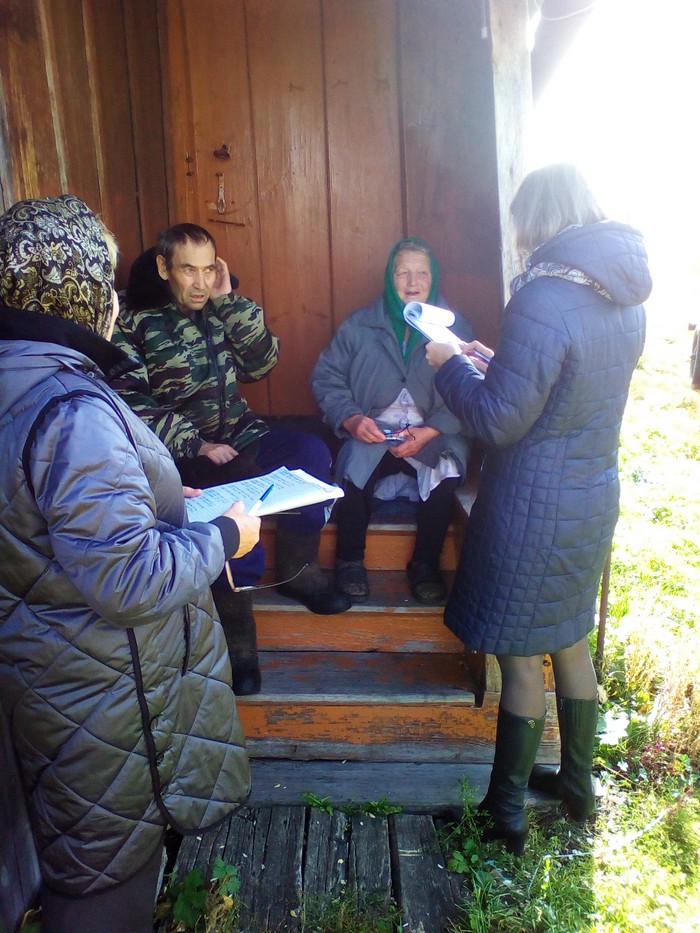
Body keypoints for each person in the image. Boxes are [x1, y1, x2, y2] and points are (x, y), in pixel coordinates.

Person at [0, 195, 259, 932]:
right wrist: (224, 539)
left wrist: (163, 493)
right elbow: (130, 577)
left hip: (50, 676)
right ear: (83, 291)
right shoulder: (72, 407)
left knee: (88, 870)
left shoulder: (18, 381)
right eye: (105, 282)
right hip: (101, 700)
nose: (115, 299)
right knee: (105, 884)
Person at [425, 164, 652, 854]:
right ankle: (579, 787)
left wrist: (448, 364)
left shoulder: (544, 297)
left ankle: (504, 818)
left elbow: (497, 421)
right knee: (570, 638)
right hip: (590, 497)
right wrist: (499, 358)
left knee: (522, 658)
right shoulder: (622, 294)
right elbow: (568, 389)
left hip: (532, 505)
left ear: (539, 220)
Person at [111, 224, 351, 696]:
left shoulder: (217, 307)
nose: (200, 283)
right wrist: (193, 444)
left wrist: (229, 301)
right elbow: (128, 402)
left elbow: (262, 363)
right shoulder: (134, 320)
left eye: (208, 270)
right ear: (164, 267)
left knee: (311, 453)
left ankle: (299, 573)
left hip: (240, 436)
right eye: (188, 270)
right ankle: (238, 635)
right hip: (182, 457)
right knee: (229, 491)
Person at [311, 237, 473, 604]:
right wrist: (351, 419)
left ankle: (425, 564)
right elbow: (326, 378)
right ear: (389, 277)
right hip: (373, 430)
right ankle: (350, 560)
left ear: (434, 280)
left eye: (422, 274)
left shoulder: (453, 327)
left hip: (432, 432)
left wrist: (430, 430)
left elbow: (471, 389)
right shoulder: (360, 326)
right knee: (353, 462)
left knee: (447, 466)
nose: (412, 282)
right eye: (403, 273)